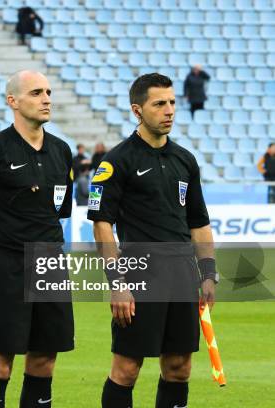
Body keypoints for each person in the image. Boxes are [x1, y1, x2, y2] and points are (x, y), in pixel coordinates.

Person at [87, 73, 217, 408]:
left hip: (182, 274)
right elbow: (102, 226)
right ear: (137, 110)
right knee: (127, 368)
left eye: (172, 102)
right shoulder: (116, 162)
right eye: (159, 103)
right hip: (140, 275)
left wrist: (208, 273)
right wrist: (117, 283)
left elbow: (199, 224)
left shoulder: (185, 160)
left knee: (179, 368)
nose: (169, 110)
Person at [0, 70, 74, 408]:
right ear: (13, 101)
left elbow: (59, 212)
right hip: (6, 266)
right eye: (37, 92)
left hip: (50, 263)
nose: (46, 98)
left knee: (43, 363)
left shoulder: (62, 151)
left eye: (49, 92)